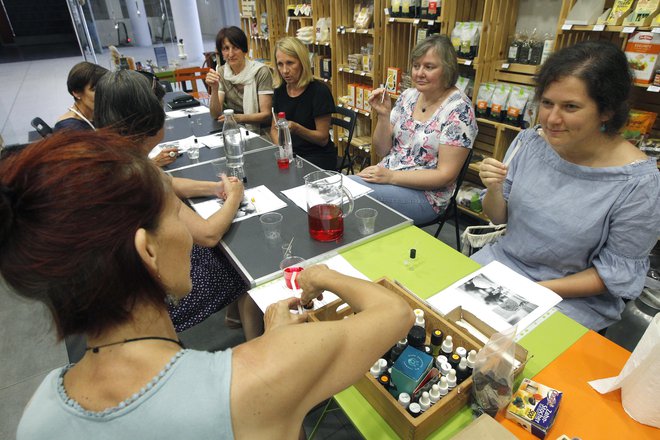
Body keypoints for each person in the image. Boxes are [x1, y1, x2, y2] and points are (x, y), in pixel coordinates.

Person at [1, 130, 414, 439]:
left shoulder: (37, 416)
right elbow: (394, 313)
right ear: (147, 251)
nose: (188, 233)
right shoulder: (256, 378)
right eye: (176, 217)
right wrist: (319, 274)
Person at [473, 40, 660, 331]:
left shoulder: (638, 184)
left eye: (570, 107)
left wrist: (536, 290)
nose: (552, 119)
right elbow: (499, 218)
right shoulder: (530, 142)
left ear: (607, 110)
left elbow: (613, 275)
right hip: (503, 268)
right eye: (547, 103)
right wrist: (494, 188)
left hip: (572, 301)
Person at [94, 70, 262, 339]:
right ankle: (259, 343)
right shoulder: (139, 176)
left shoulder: (114, 160)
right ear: (149, 117)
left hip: (124, 287)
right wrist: (234, 197)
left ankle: (235, 316)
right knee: (248, 262)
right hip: (160, 294)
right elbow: (208, 234)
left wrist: (216, 188)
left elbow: (168, 182)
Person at [354, 35, 478, 225]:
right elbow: (381, 150)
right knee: (340, 187)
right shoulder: (408, 96)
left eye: (429, 67)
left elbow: (446, 175)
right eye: (416, 65)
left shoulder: (459, 110)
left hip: (426, 197)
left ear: (448, 69)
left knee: (352, 193)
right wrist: (384, 116)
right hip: (388, 178)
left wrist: (391, 176)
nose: (419, 73)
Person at [270, 36, 337, 170]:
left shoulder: (319, 92)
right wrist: (283, 151)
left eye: (290, 63)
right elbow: (273, 129)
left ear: (302, 62)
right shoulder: (280, 90)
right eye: (280, 64)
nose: (284, 70)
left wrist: (297, 128)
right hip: (291, 155)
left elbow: (322, 139)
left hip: (317, 156)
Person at [206, 26, 273, 133]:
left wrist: (238, 118)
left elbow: (266, 115)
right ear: (221, 52)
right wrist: (214, 88)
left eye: (235, 48)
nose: (231, 54)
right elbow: (215, 114)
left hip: (262, 131)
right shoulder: (222, 72)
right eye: (226, 49)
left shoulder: (260, 71)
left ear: (244, 50)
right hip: (234, 129)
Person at [53, 61, 108, 132]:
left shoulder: (96, 114)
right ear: (77, 93)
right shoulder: (68, 128)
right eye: (95, 90)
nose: (104, 94)